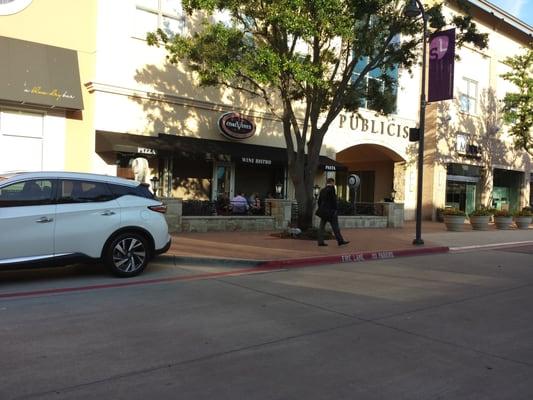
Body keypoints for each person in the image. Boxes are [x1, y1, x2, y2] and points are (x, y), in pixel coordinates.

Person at [315, 178, 349, 247]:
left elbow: (319, 201)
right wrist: (335, 210)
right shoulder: (332, 189)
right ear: (332, 182)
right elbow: (334, 201)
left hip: (324, 212)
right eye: (333, 183)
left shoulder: (322, 190)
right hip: (331, 212)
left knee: (321, 227)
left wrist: (322, 209)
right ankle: (340, 241)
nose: (334, 184)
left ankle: (320, 242)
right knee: (335, 227)